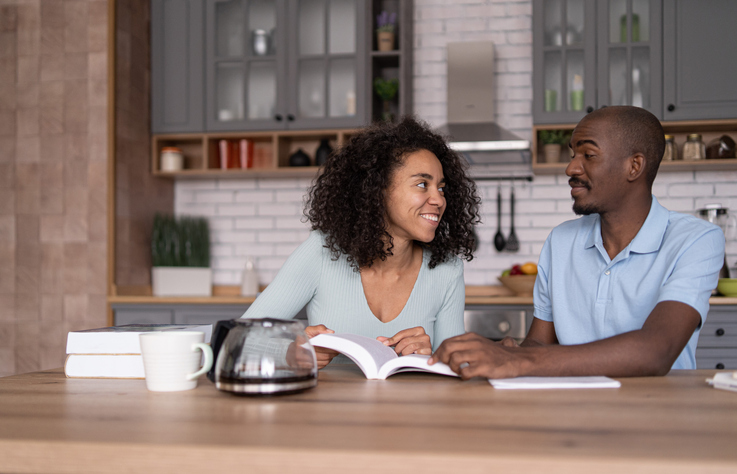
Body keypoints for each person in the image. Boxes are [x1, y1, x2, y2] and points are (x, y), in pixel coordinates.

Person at [430, 106, 725, 379]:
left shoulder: (695, 240)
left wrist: (522, 361)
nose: (571, 168)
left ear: (634, 166)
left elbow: (657, 351)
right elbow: (538, 344)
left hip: (659, 417)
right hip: (571, 412)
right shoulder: (561, 241)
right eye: (573, 155)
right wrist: (512, 351)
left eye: (588, 155)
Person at [242, 116, 481, 368]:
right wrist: (290, 352)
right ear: (378, 189)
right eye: (422, 184)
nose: (439, 200)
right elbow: (239, 340)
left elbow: (457, 369)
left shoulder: (447, 269)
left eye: (441, 188)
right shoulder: (320, 252)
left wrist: (430, 357)